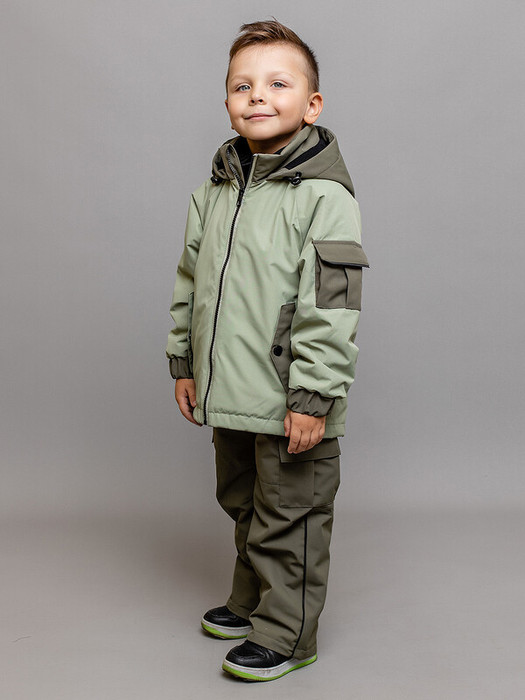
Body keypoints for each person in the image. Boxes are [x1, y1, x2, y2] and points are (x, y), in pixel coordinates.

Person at [166, 18, 369, 682]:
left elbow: (330, 306)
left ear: (312, 104)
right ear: (227, 100)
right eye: (241, 85)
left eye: (278, 83)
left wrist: (313, 395)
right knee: (245, 501)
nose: (257, 96)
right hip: (230, 390)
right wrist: (184, 362)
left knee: (291, 514)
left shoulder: (324, 197)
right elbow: (191, 282)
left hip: (290, 399)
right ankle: (253, 601)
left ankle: (289, 633)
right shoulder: (215, 191)